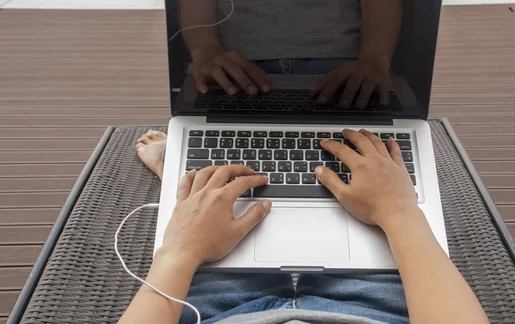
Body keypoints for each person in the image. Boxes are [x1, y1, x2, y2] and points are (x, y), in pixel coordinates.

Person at [121, 129, 489, 324]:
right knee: (385, 217)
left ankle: (187, 182)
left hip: (218, 313)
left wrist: (180, 251)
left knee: (205, 220)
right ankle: (195, 184)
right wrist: (399, 210)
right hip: (380, 310)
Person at [177, 0, 404, 109]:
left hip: (346, 68)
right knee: (199, 170)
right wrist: (204, 50)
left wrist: (375, 59)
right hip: (232, 66)